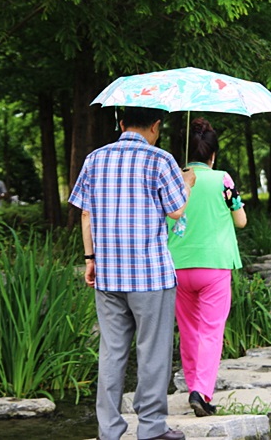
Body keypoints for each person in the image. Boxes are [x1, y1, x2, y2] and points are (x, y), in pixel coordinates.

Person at [69, 107, 196, 440]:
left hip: (108, 275)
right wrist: (188, 183)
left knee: (111, 352)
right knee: (152, 351)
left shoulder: (94, 159)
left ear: (121, 124)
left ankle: (109, 430)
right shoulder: (161, 160)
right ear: (155, 127)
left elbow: (86, 214)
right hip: (150, 276)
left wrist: (90, 259)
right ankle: (151, 429)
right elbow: (176, 210)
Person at [167, 118, 247, 417]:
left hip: (178, 265)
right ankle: (202, 391)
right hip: (214, 265)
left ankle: (192, 387)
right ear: (213, 154)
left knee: (188, 331)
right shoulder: (223, 179)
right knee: (211, 331)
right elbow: (241, 220)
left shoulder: (174, 178)